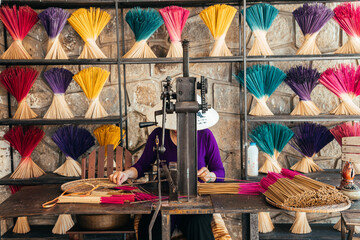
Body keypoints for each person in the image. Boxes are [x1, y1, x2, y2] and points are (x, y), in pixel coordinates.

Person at [109, 97, 225, 240]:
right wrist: (126, 174)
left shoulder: (205, 135)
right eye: (173, 123)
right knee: (150, 227)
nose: (176, 129)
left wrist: (210, 175)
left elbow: (220, 172)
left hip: (196, 199)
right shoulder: (158, 135)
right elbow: (142, 166)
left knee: (198, 225)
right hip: (163, 197)